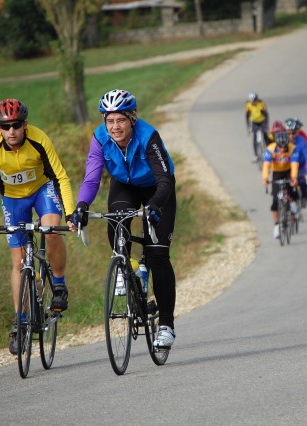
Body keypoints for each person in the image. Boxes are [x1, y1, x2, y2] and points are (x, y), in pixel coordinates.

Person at [71, 89, 177, 350]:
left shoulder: (148, 136)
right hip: (125, 186)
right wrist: (81, 205)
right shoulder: (99, 139)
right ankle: (127, 267)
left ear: (132, 118)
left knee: (159, 255)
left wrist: (154, 205)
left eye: (120, 120)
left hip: (157, 188)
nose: (115, 127)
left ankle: (166, 325)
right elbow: (92, 178)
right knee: (116, 222)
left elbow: (165, 179)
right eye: (109, 121)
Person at [0, 98, 75, 355]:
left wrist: (71, 213)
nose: (11, 131)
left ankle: (60, 284)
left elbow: (60, 176)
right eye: (5, 126)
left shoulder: (39, 139)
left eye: (16, 125)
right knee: (19, 263)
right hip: (12, 199)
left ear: (25, 125)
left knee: (51, 229)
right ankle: (19, 322)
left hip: (42, 190)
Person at [262, 130, 300, 239]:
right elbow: (266, 165)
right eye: (280, 147)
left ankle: (294, 206)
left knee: (293, 190)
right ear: (276, 144)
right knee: (275, 199)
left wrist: (294, 178)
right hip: (277, 173)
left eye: (285, 147)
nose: (283, 149)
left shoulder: (293, 148)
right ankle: (276, 226)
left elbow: (294, 165)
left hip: (288, 171)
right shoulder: (270, 149)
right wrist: (265, 179)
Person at [285, 118, 307, 208]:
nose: (291, 136)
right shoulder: (282, 141)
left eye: (293, 133)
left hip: (300, 166)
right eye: (288, 134)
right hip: (287, 167)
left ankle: (304, 195)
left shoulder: (301, 141)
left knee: (303, 182)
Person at [245, 92, 270, 161]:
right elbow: (247, 116)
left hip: (262, 120)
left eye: (255, 101)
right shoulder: (248, 105)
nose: (253, 102)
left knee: (265, 135)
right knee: (255, 138)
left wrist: (266, 125)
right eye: (252, 101)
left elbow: (266, 114)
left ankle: (269, 151)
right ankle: (256, 155)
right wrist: (248, 126)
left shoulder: (261, 103)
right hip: (254, 122)